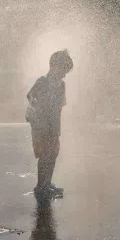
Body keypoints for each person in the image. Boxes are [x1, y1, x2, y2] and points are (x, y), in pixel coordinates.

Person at [27, 49, 74, 203]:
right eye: (63, 70)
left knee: (53, 154)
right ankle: (41, 186)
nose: (64, 74)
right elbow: (30, 95)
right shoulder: (42, 82)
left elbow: (61, 105)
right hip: (41, 126)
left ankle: (47, 183)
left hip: (53, 126)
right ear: (54, 66)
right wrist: (35, 103)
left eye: (66, 71)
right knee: (44, 156)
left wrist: (56, 125)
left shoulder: (62, 85)